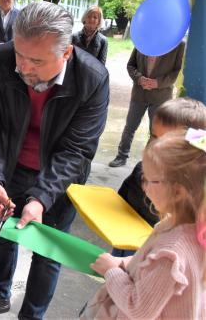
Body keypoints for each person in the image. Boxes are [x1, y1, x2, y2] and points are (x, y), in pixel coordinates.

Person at [0, 1, 109, 320]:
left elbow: (77, 150)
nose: (24, 68)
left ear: (66, 54)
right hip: (11, 166)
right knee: (3, 233)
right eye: (20, 54)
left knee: (48, 252)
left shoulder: (93, 79)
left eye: (37, 61)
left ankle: (32, 315)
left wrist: (41, 198)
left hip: (61, 179)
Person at [83, 129, 206, 319]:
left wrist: (111, 271)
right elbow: (152, 269)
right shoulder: (189, 227)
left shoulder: (172, 253)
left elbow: (138, 308)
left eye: (150, 180)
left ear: (178, 192)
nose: (144, 186)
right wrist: (123, 262)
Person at [112, 97, 206, 257]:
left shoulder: (192, 191)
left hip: (156, 254)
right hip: (124, 242)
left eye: (167, 141)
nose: (156, 146)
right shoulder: (140, 169)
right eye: (154, 137)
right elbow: (120, 201)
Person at [109, 41, 185, 167]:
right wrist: (139, 78)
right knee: (130, 127)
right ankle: (121, 156)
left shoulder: (178, 45)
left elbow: (177, 71)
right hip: (139, 94)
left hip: (161, 96)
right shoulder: (142, 40)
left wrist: (158, 83)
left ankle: (149, 162)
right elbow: (130, 65)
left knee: (156, 131)